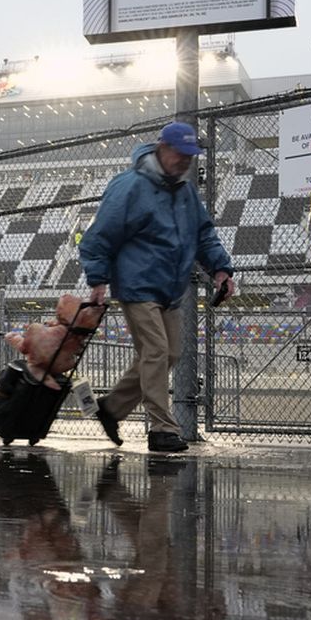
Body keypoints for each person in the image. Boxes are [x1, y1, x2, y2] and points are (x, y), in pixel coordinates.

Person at [79, 121, 235, 453]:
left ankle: (111, 409)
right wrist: (98, 280)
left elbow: (204, 234)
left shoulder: (185, 191)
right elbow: (98, 236)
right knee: (156, 351)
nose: (186, 162)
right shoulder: (130, 186)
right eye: (181, 154)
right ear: (162, 148)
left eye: (191, 157)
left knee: (171, 353)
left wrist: (221, 270)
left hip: (170, 288)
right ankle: (162, 430)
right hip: (137, 284)